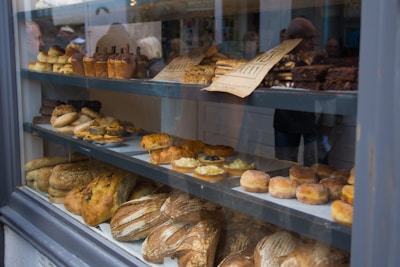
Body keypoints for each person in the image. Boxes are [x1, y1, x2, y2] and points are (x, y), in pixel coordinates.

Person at [273, 17, 318, 166]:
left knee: (313, 170)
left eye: (313, 38)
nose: (312, 43)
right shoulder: (277, 60)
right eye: (307, 38)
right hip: (285, 121)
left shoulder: (316, 60)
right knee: (284, 167)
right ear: (292, 38)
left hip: (311, 121)